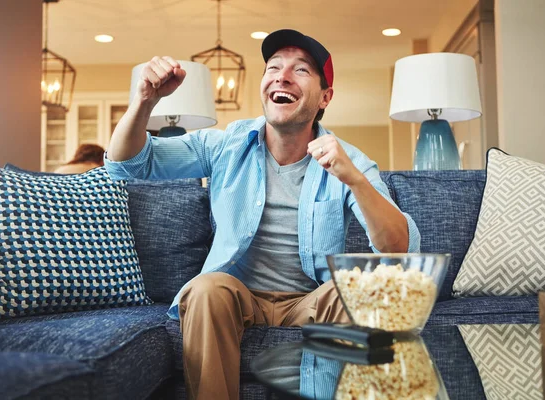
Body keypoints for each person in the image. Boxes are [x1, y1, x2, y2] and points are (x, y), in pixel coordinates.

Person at [105, 29, 421, 400]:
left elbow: (399, 247)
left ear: (325, 97)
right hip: (237, 296)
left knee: (354, 289)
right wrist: (144, 101)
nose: (282, 76)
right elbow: (127, 165)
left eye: (300, 70)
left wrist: (354, 180)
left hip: (309, 301)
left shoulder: (350, 162)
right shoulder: (225, 145)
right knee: (206, 288)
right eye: (273, 67)